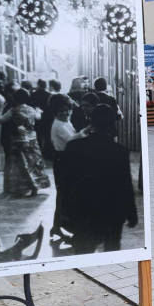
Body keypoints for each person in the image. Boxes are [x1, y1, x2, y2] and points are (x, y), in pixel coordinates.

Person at [62, 105, 138, 254]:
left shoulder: (73, 147)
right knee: (112, 249)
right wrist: (131, 213)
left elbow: (66, 184)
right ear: (112, 124)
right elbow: (125, 185)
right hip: (112, 211)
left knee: (83, 251)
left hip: (83, 210)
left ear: (92, 122)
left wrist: (65, 212)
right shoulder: (119, 152)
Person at [0, 88, 50, 197]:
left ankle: (21, 187)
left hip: (19, 139)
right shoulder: (31, 109)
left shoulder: (13, 110)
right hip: (32, 138)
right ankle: (36, 186)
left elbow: (0, 120)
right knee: (34, 162)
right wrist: (39, 112)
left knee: (21, 164)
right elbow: (38, 117)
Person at [48, 93, 85, 244]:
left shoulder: (65, 121)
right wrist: (85, 132)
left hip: (67, 160)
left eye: (67, 109)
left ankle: (57, 226)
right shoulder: (58, 125)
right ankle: (65, 226)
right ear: (55, 112)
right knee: (65, 195)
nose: (65, 113)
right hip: (63, 161)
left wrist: (71, 105)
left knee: (64, 196)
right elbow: (71, 139)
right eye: (61, 110)